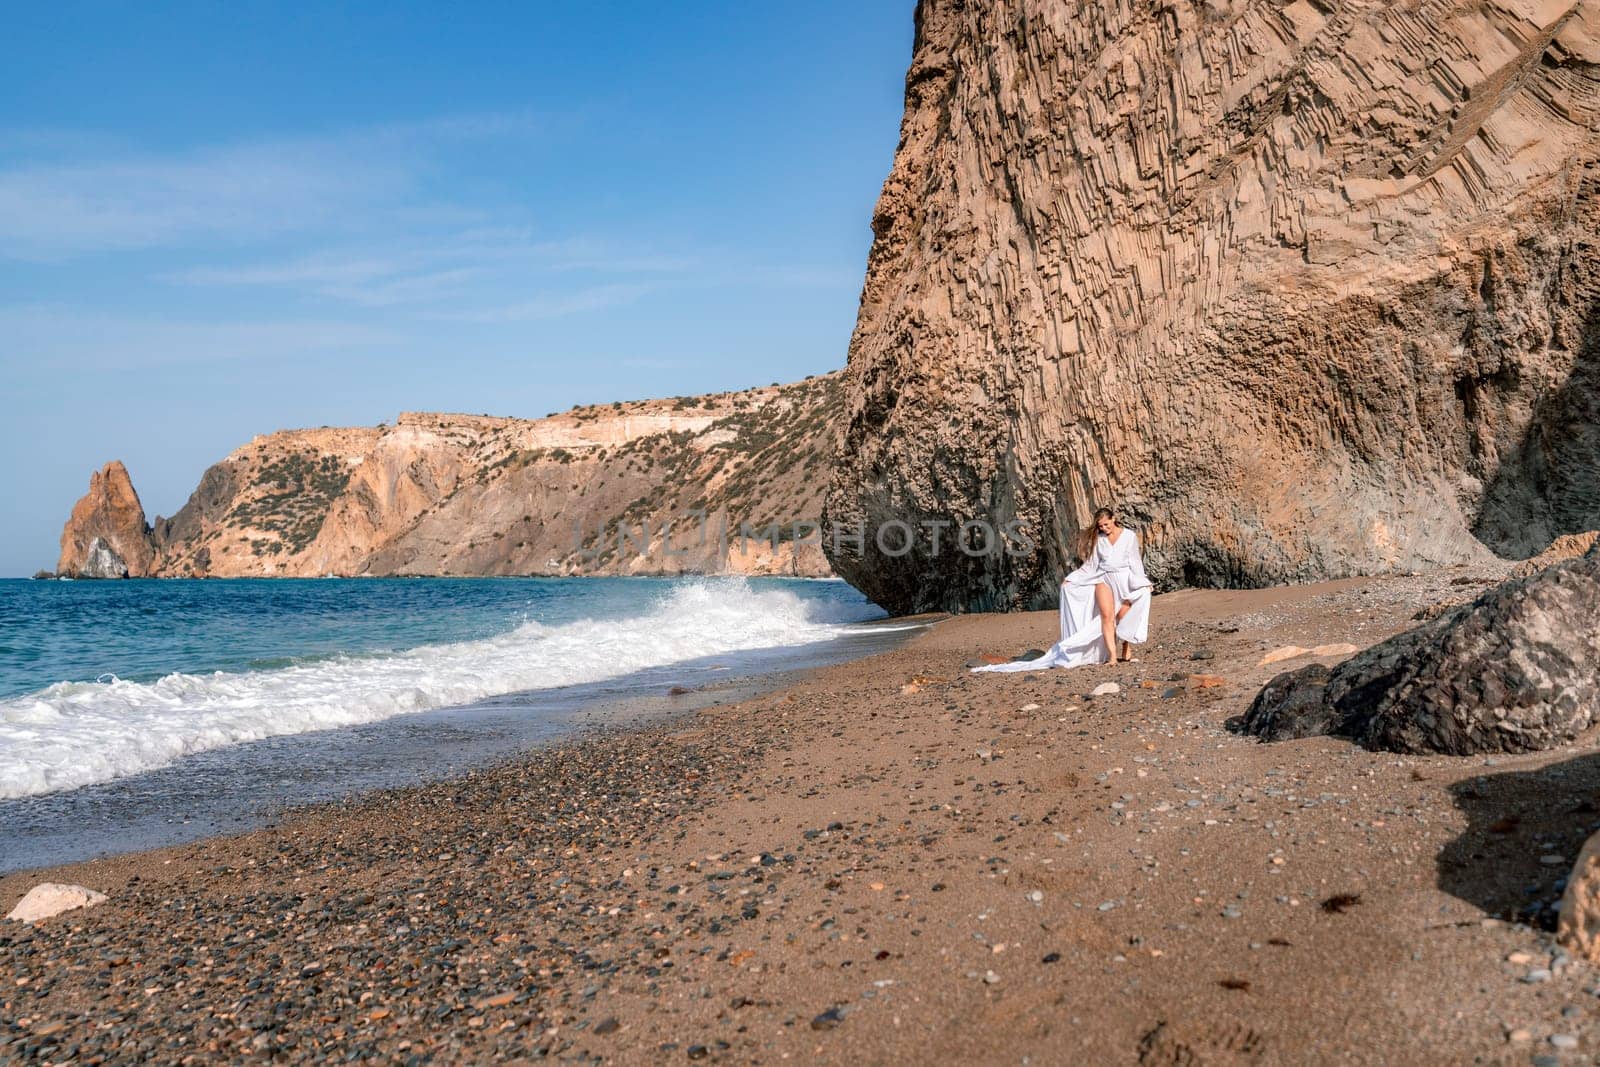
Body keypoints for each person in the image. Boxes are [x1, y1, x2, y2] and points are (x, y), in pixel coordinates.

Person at [972, 506, 1152, 673]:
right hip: (1103, 578)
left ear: (1114, 519)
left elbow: (1135, 562)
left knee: (1123, 616)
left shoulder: (1128, 536)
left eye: (1106, 524)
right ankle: (1112, 657)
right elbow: (1092, 565)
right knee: (1107, 616)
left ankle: (1126, 647)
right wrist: (1072, 579)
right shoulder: (1100, 539)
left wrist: (1143, 581)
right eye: (1100, 526)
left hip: (1124, 579)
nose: (1104, 528)